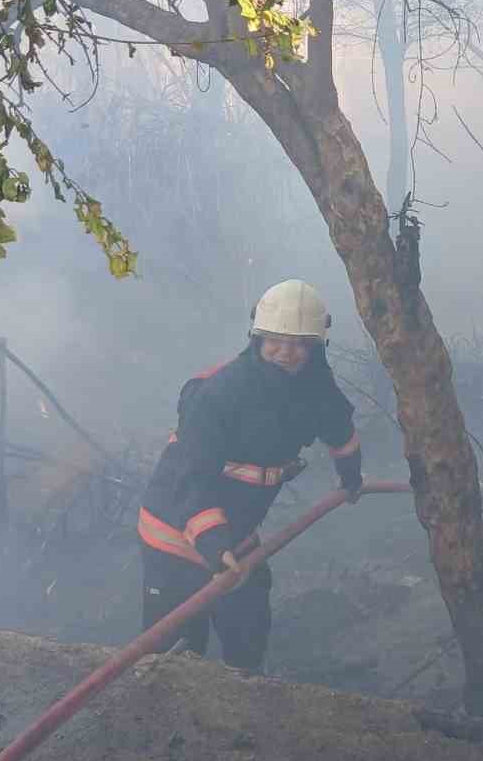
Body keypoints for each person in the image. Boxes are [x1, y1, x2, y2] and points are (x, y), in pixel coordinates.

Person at [137, 279, 363, 671]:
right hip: (174, 536)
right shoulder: (217, 394)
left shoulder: (315, 387)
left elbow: (339, 428)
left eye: (298, 343)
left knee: (248, 631)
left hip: (237, 535)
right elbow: (192, 479)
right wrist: (213, 545)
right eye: (274, 340)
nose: (285, 353)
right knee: (175, 657)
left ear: (315, 346)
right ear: (256, 337)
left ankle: (240, 696)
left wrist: (351, 475)